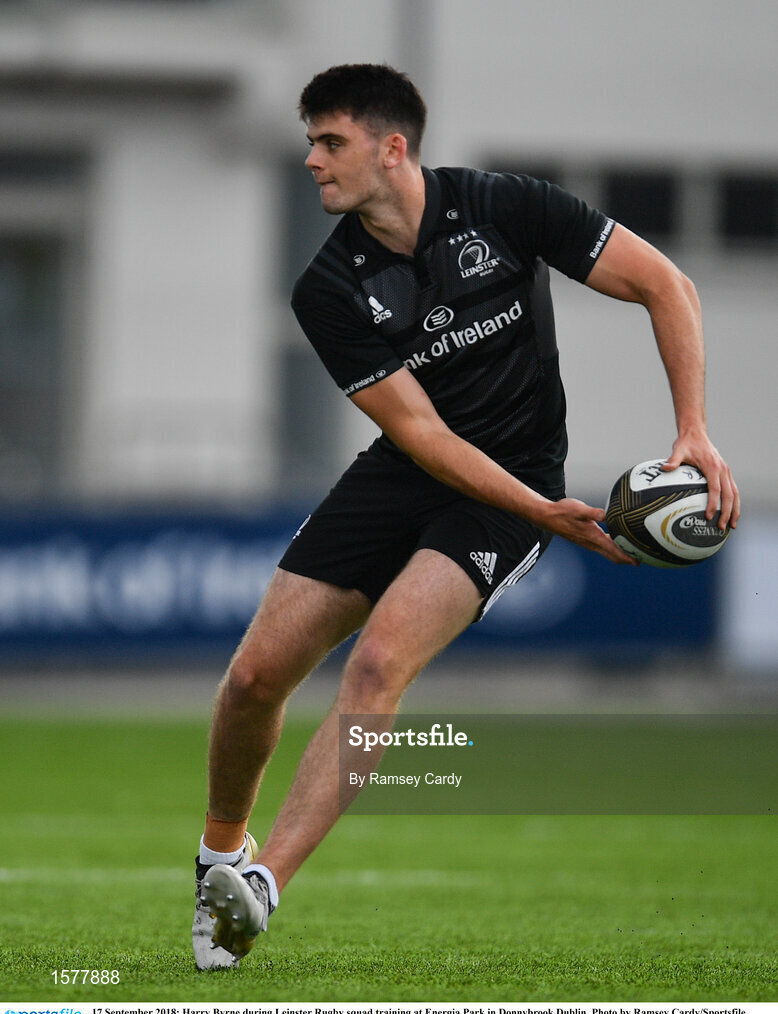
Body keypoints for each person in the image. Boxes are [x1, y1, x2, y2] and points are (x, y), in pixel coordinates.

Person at [192, 63, 739, 969]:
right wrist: (545, 515)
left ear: (391, 147)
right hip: (415, 470)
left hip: (518, 477)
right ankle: (219, 854)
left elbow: (666, 284)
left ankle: (258, 891)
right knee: (255, 678)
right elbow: (423, 433)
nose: (311, 161)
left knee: (377, 661)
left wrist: (695, 431)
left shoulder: (506, 206)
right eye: (311, 142)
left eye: (329, 142)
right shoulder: (326, 287)